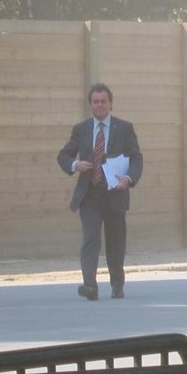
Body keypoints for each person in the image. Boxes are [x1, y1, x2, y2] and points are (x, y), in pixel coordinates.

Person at [57, 83, 144, 301]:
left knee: (116, 242)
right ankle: (90, 286)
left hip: (115, 192)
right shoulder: (81, 129)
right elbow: (63, 156)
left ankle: (117, 284)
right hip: (90, 194)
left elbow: (136, 158)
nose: (99, 105)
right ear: (90, 105)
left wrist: (129, 178)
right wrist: (75, 165)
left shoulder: (124, 128)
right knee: (90, 239)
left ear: (111, 104)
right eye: (95, 102)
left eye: (103, 101)